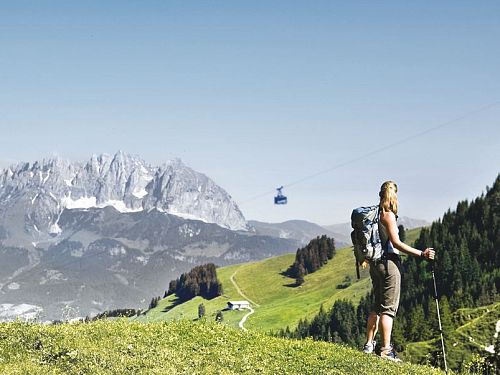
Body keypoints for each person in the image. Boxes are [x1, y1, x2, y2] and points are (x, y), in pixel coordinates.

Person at [363, 181, 435, 361]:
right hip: (389, 265)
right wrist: (421, 253)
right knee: (388, 309)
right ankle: (386, 350)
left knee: (376, 306)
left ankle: (368, 345)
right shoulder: (388, 216)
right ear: (393, 196)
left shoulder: (373, 215)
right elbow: (396, 243)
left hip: (375, 265)